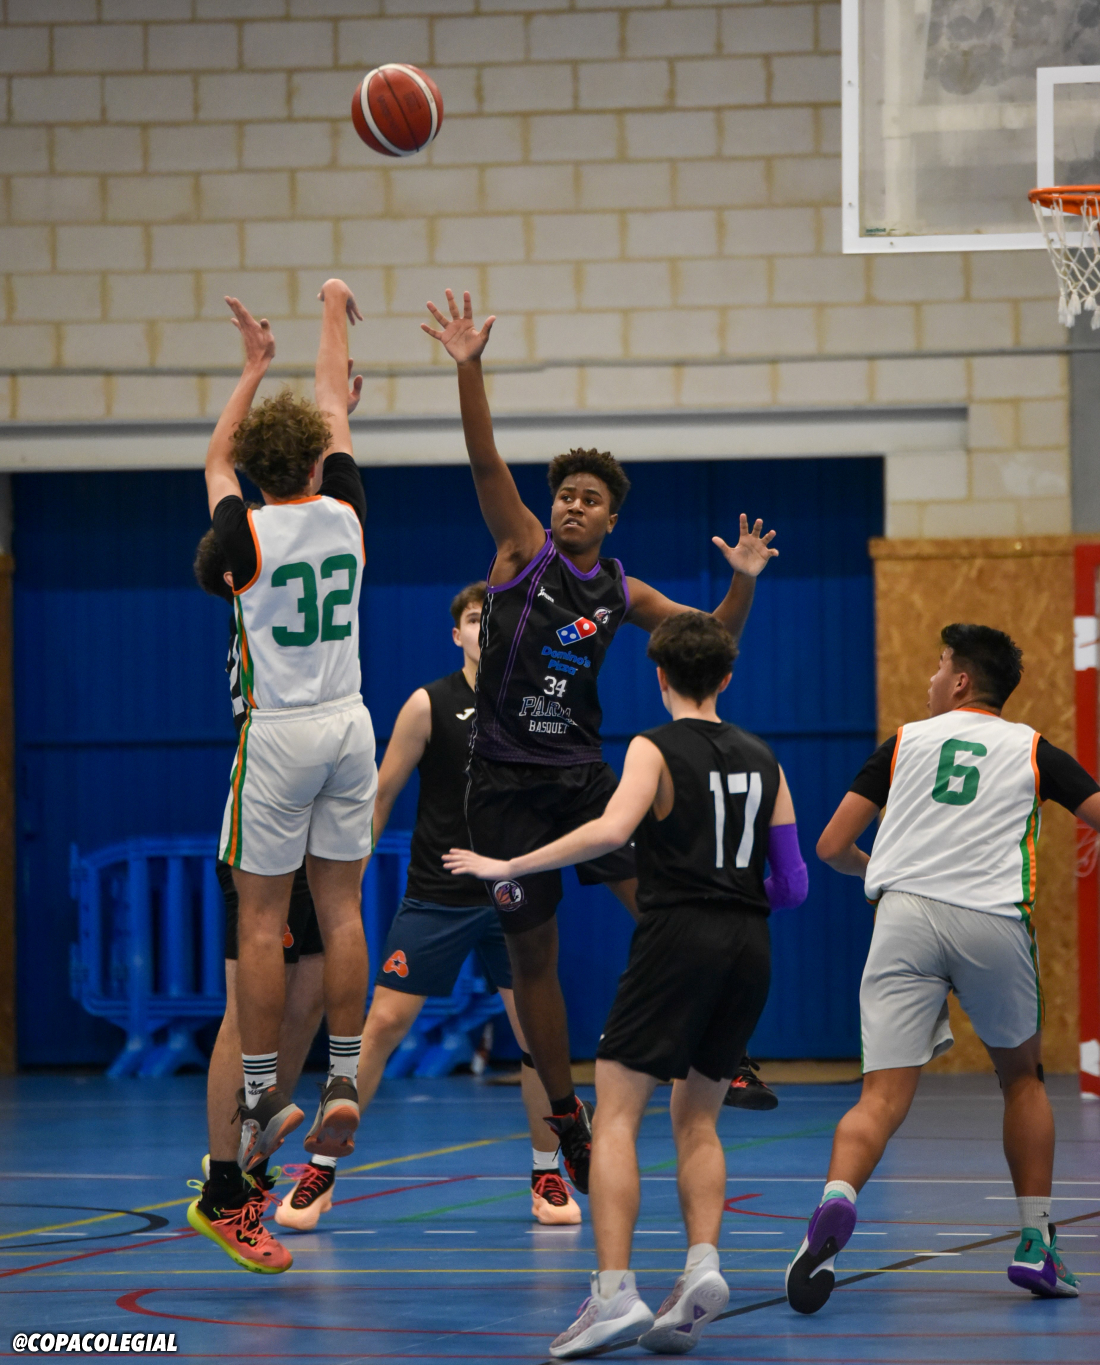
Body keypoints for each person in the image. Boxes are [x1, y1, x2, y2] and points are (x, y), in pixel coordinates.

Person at [422, 289, 779, 1193]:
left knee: (666, 903)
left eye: (590, 499)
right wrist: (469, 368)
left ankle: (719, 1048)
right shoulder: (522, 549)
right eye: (566, 495)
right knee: (532, 959)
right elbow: (485, 459)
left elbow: (711, 640)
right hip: (503, 786)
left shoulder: (621, 589)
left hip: (583, 777)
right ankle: (562, 1108)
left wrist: (742, 581)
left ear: (612, 517)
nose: (573, 506)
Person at [445, 612, 808, 1357]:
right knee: (698, 1120)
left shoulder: (654, 747)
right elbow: (794, 884)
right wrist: (735, 900)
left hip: (678, 936)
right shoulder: (765, 756)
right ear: (727, 676)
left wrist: (511, 864)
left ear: (660, 676)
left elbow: (611, 833)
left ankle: (613, 1293)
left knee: (614, 1115)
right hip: (750, 945)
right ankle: (701, 1266)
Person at [787, 624, 1100, 1315]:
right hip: (992, 919)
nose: (930, 678)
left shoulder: (903, 742)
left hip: (904, 917)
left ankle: (836, 1198)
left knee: (880, 1098)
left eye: (938, 666)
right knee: (1022, 1078)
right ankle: (1036, 1242)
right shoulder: (1034, 748)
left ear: (961, 681)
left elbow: (832, 844)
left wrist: (885, 873)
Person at [277, 583, 581, 1231]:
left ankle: (547, 1174)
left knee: (537, 1038)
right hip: (438, 895)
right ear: (457, 634)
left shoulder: (537, 704)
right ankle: (321, 1171)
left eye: (495, 618)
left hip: (515, 892)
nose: (485, 627)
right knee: (382, 1024)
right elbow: (379, 796)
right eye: (474, 619)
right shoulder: (428, 703)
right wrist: (348, 881)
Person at [187, 279, 375, 1271]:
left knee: (264, 933)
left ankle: (263, 1098)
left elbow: (216, 458)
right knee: (341, 914)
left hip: (280, 737)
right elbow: (334, 401)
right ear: (317, 460)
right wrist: (331, 306)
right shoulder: (346, 513)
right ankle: (337, 1080)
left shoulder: (240, 539)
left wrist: (251, 368)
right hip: (350, 725)